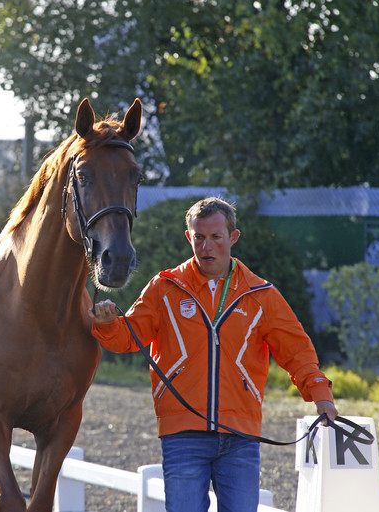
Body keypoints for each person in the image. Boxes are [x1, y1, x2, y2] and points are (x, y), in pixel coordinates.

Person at [88, 197, 337, 512]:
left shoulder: (261, 295)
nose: (207, 246)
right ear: (188, 237)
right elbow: (128, 338)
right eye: (199, 237)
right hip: (183, 436)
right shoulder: (163, 288)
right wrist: (108, 325)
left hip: (241, 437)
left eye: (216, 237)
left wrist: (321, 396)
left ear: (232, 238)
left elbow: (297, 352)